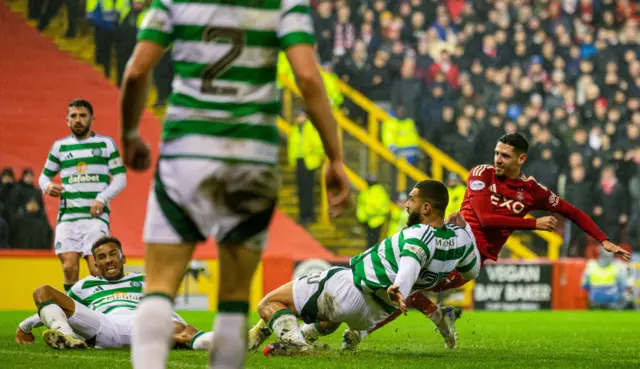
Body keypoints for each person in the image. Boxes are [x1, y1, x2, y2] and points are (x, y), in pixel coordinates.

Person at [119, 0, 351, 367]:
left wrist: (130, 134)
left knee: (159, 287)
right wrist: (335, 158)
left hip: (186, 155)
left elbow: (136, 72)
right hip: (251, 158)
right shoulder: (286, 3)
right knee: (234, 297)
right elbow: (307, 78)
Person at [345, 133, 630, 351]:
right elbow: (484, 218)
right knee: (402, 284)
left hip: (471, 260)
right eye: (496, 153)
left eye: (505, 155)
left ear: (521, 159)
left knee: (407, 288)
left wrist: (603, 240)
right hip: (451, 243)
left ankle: (433, 316)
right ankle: (368, 327)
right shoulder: (481, 174)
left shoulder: (533, 192)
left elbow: (573, 211)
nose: (497, 159)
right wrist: (533, 223)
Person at [243, 180, 480, 356]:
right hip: (373, 315)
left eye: (412, 199)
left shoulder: (420, 233)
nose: (407, 204)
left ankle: (297, 344)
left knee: (268, 304)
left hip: (351, 288)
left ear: (426, 208)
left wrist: (400, 287)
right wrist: (466, 229)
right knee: (327, 320)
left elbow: (412, 261)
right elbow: (472, 271)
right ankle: (286, 335)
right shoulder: (460, 241)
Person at [14, 236, 213, 351]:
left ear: (123, 258)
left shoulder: (145, 280)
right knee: (43, 291)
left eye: (112, 255)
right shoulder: (84, 286)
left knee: (179, 329)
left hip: (144, 323)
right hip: (105, 326)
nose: (108, 260)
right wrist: (26, 325)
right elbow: (59, 308)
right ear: (96, 264)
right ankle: (68, 338)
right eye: (101, 257)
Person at [38, 99, 127, 292]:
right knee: (69, 267)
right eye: (74, 116)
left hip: (94, 218)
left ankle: (102, 313)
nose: (78, 120)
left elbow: (120, 178)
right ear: (67, 120)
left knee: (97, 270)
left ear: (92, 119)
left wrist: (102, 198)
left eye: (83, 115)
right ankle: (73, 317)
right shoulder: (60, 147)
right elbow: (43, 178)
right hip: (68, 218)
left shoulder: (105, 144)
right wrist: (48, 186)